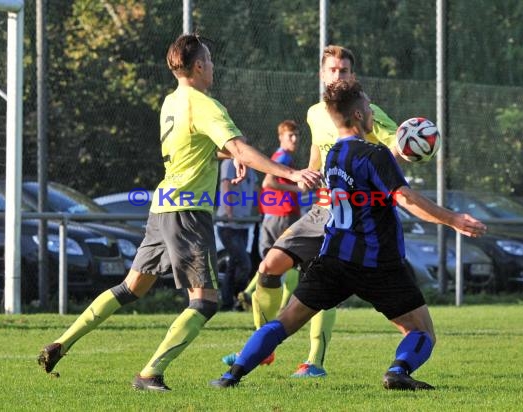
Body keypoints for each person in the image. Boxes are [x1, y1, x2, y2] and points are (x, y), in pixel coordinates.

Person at [36, 33, 321, 392]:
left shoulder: (171, 102)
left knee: (130, 287)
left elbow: (202, 146)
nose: (213, 67)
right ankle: (150, 373)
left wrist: (229, 154)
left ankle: (62, 342)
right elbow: (239, 147)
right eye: (210, 60)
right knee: (205, 301)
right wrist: (290, 172)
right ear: (199, 66)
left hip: (162, 207)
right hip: (188, 212)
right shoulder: (205, 104)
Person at [211, 79, 487, 390]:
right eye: (368, 107)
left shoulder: (334, 157)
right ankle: (398, 371)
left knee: (285, 321)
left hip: (333, 259)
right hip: (378, 263)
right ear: (358, 115)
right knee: (422, 331)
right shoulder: (376, 155)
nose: (371, 112)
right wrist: (453, 220)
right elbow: (405, 198)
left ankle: (231, 376)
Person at [224, 45, 399, 378]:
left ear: (353, 76)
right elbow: (318, 154)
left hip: (357, 214)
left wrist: (406, 144)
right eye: (332, 70)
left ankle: (314, 361)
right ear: (322, 74)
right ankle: (264, 347)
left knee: (324, 283)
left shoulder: (367, 111)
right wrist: (307, 175)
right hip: (322, 208)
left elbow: (396, 147)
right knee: (269, 266)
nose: (338, 76)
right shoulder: (315, 113)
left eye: (344, 71)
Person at [238, 120, 302, 316]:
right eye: (290, 135)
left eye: (297, 135)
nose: (294, 139)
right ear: (280, 137)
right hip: (283, 215)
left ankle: (250, 293)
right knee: (290, 261)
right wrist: (296, 187)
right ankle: (282, 307)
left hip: (273, 216)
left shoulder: (278, 157)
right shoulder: (282, 157)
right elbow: (269, 182)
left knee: (274, 261)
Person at [216, 158, 258, 311]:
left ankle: (229, 304)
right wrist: (229, 212)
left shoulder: (250, 166)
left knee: (233, 265)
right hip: (228, 225)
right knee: (244, 264)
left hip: (243, 224)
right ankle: (239, 298)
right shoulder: (228, 163)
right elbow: (226, 185)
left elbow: (255, 189)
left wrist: (259, 209)